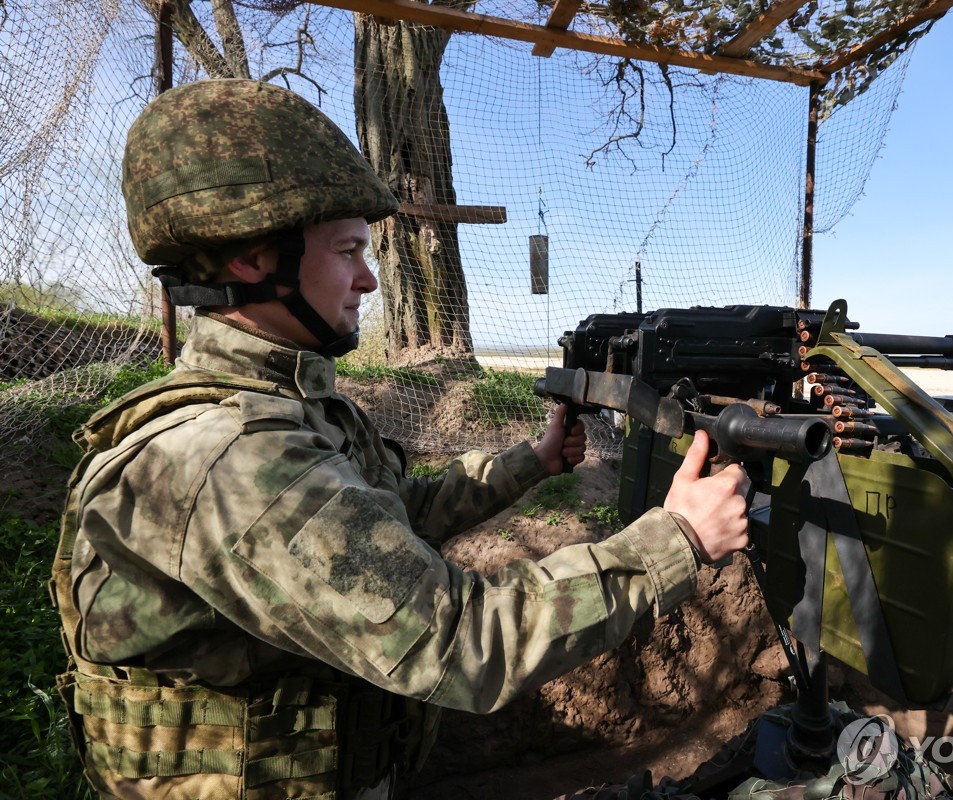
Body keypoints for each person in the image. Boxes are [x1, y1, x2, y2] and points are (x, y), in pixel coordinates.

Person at [52, 78, 750, 799]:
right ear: (253, 260)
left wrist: (529, 464)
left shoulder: (283, 406)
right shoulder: (232, 460)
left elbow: (384, 524)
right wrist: (678, 538)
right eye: (349, 249)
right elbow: (461, 642)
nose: (370, 278)